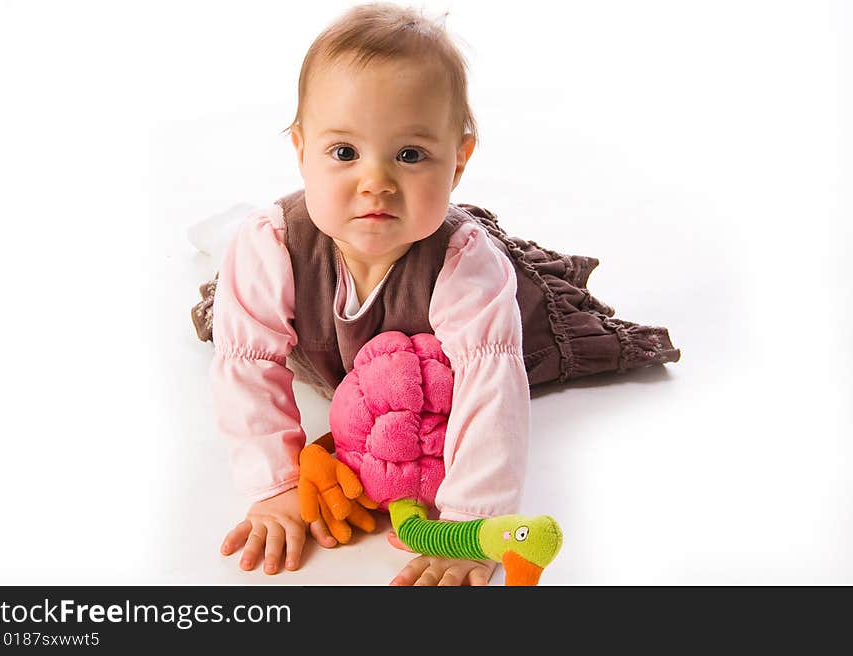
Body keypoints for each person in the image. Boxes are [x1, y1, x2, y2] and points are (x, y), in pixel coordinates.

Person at [199, 2, 680, 586]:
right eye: (344, 152)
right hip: (325, 335)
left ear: (457, 162)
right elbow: (248, 365)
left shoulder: (462, 262)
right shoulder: (273, 245)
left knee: (523, 334)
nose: (375, 180)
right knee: (232, 305)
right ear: (302, 150)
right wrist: (273, 484)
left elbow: (489, 383)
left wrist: (469, 522)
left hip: (454, 344)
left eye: (410, 155)